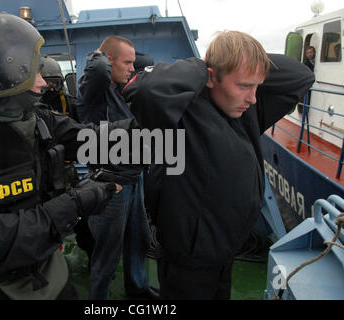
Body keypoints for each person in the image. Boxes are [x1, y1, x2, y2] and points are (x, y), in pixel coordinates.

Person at [0, 13, 139, 300]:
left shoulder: (35, 118)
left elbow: (93, 140)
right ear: (5, 74)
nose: (44, 83)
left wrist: (156, 122)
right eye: (35, 72)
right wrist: (77, 202)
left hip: (48, 275)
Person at [123, 30, 315, 299]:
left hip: (225, 251)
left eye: (256, 86)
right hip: (189, 261)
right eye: (244, 86)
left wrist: (245, 62)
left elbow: (301, 76)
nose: (253, 98)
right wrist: (205, 65)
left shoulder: (247, 114)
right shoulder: (180, 117)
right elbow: (143, 89)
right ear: (212, 77)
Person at [76, 35, 156, 300]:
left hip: (134, 179)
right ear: (109, 61)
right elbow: (99, 68)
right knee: (107, 253)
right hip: (110, 184)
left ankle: (138, 289)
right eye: (127, 62)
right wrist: (99, 52)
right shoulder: (95, 89)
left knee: (139, 240)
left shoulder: (121, 89)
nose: (132, 68)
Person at [39, 55, 78, 120]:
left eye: (55, 83)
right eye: (47, 84)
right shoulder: (30, 107)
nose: (51, 89)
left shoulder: (72, 104)